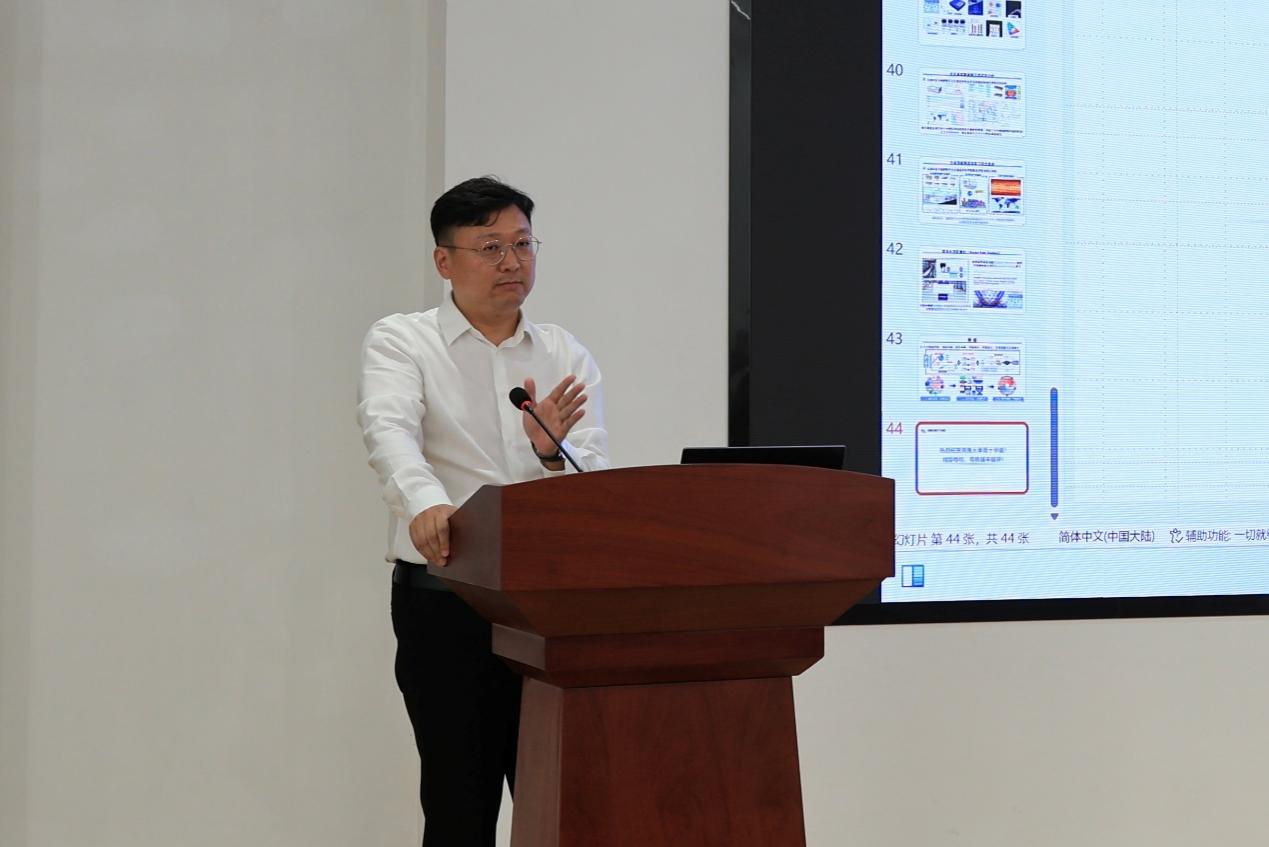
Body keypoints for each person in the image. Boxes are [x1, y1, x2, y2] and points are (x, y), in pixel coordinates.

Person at [356, 176, 610, 845]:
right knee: (459, 807)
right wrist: (426, 503)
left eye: (522, 244)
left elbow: (593, 476)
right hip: (448, 603)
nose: (511, 261)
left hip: (549, 609)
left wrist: (550, 456)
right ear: (444, 261)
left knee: (560, 804)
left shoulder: (564, 353)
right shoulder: (402, 341)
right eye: (490, 247)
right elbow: (388, 430)